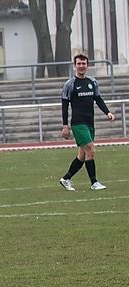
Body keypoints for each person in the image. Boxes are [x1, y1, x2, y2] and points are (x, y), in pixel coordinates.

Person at [58, 54, 115, 191]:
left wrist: (107, 112)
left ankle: (66, 179)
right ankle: (94, 182)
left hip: (90, 122)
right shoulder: (70, 84)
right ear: (75, 66)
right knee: (90, 149)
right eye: (79, 64)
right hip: (78, 123)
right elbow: (64, 106)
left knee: (82, 156)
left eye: (84, 63)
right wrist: (65, 126)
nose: (81, 66)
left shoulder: (92, 82)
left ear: (87, 65)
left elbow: (98, 99)